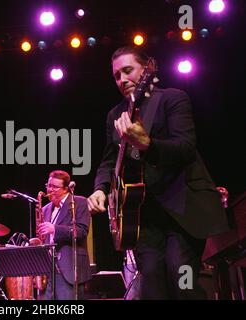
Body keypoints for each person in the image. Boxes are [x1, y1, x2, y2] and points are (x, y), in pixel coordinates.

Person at [87, 46, 229, 299]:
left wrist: (148, 144)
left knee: (180, 278)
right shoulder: (114, 115)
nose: (122, 79)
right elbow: (109, 161)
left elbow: (185, 149)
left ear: (145, 71)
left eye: (128, 71)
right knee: (151, 285)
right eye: (116, 76)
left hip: (183, 210)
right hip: (143, 218)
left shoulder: (173, 98)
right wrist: (101, 189)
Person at [37, 170, 91, 300]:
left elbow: (82, 232)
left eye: (54, 187)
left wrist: (55, 229)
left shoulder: (80, 203)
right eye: (48, 186)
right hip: (48, 270)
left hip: (69, 269)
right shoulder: (44, 209)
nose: (50, 190)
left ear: (66, 189)